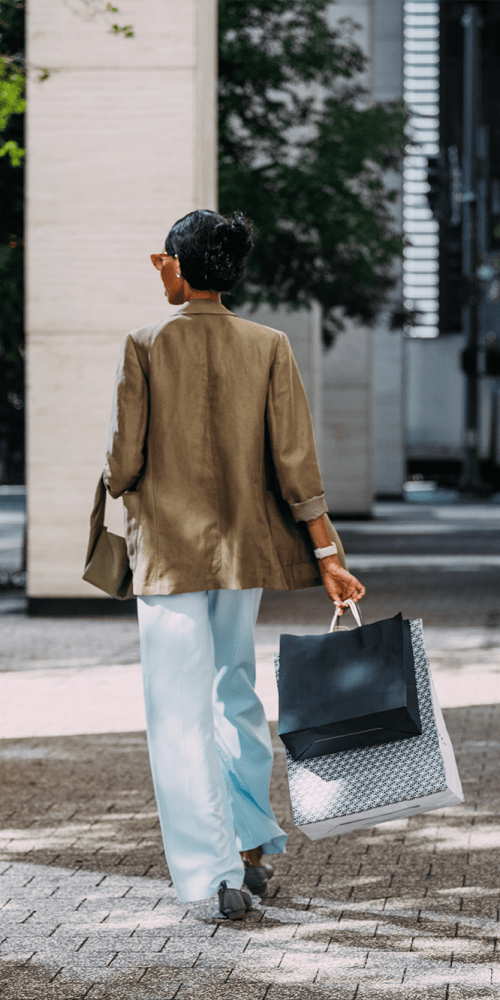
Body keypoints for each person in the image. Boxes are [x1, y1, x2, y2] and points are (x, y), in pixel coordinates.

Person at [103, 208, 366, 920]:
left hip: (168, 554)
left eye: (167, 261)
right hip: (241, 551)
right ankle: (252, 849)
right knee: (235, 693)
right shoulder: (270, 345)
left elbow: (123, 464)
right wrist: (328, 557)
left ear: (181, 269)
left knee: (178, 712)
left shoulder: (146, 344)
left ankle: (214, 874)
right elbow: (296, 465)